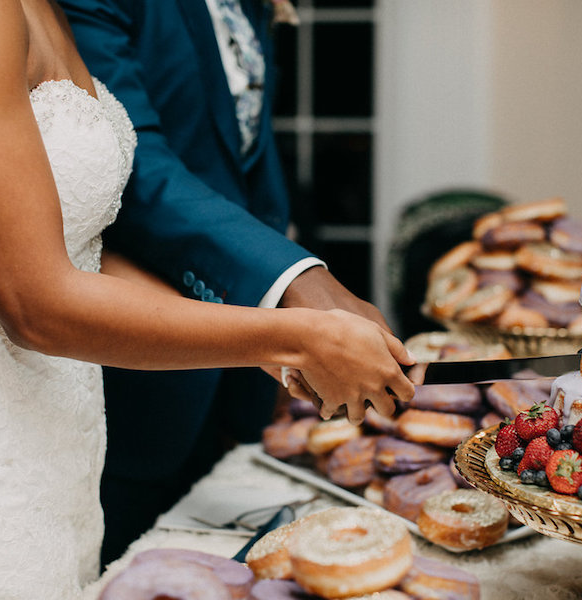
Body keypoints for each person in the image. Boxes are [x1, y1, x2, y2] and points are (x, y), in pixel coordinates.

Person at [0, 1, 414, 598]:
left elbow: (83, 249)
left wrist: (256, 339)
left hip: (58, 447)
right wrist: (298, 336)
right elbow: (34, 303)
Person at [56, 0, 400, 567]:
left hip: (239, 384)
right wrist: (296, 283)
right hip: (129, 388)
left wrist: (274, 321)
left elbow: (241, 155)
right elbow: (138, 165)